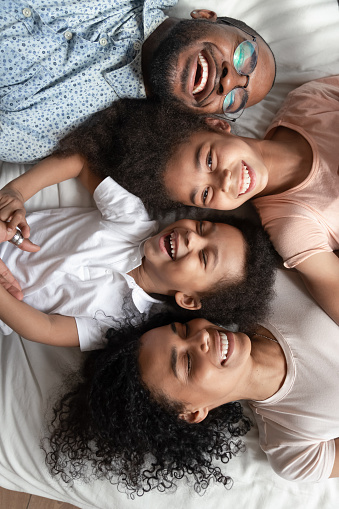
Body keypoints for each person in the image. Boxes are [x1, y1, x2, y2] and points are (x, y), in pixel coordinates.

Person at [43, 268, 339, 495]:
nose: (201, 337)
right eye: (185, 362)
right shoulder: (293, 451)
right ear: (193, 411)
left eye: (183, 329)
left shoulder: (257, 284)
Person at [72, 77, 337, 325]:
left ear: (218, 125)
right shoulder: (293, 228)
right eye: (206, 194)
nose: (223, 181)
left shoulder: (310, 103)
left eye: (209, 160)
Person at [0, 159, 276, 349]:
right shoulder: (132, 219)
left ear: (189, 298)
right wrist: (17, 191)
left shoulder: (122, 323)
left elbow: (45, 328)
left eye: (204, 257)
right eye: (203, 227)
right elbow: (81, 164)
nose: (192, 237)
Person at [0, 3, 276, 162]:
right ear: (205, 16)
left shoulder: (40, 135)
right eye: (245, 55)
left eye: (235, 99)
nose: (229, 81)